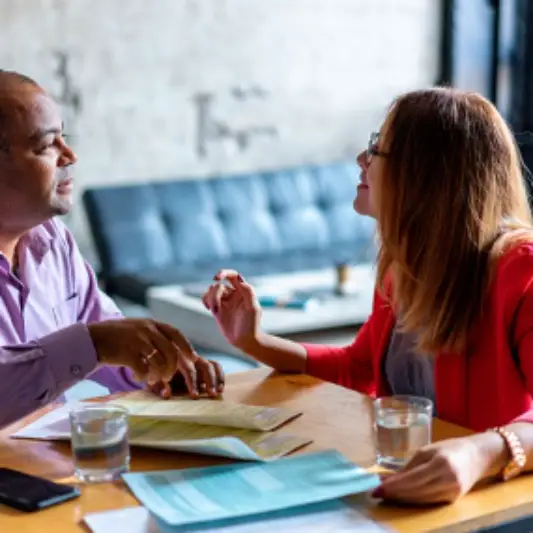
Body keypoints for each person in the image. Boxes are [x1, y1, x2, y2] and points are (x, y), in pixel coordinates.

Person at [202, 87, 533, 504]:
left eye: (377, 147)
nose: (362, 158)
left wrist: (480, 452)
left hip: (492, 505)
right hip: (408, 493)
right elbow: (357, 368)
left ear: (425, 173)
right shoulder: (404, 267)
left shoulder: (520, 268)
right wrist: (253, 341)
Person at [0, 70, 224, 430]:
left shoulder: (53, 241)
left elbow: (104, 329)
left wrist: (160, 366)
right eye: (47, 145)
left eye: (64, 138)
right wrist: (96, 344)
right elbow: (96, 341)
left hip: (45, 457)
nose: (69, 156)